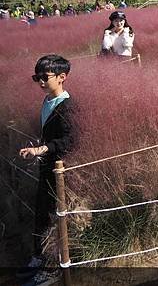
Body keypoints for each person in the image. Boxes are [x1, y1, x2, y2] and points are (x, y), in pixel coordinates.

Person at [18, 55, 76, 284]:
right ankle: (39, 257)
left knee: (55, 217)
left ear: (62, 77)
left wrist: (42, 149)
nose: (40, 82)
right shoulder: (47, 101)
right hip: (46, 166)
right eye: (37, 77)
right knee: (41, 212)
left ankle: (52, 269)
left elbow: (69, 141)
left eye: (45, 77)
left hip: (60, 171)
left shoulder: (68, 106)